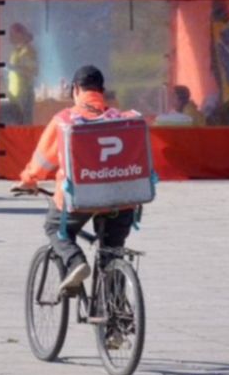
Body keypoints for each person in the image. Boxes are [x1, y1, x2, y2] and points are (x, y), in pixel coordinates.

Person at [13, 66, 137, 295]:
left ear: (76, 89)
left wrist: (29, 180)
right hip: (121, 200)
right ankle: (115, 310)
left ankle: (75, 261)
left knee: (54, 226)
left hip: (79, 198)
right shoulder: (121, 119)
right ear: (101, 91)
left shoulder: (65, 120)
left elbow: (43, 160)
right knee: (112, 251)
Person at [7, 23, 38, 126]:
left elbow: (33, 71)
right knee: (17, 123)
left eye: (12, 34)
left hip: (24, 94)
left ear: (20, 35)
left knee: (24, 124)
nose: (10, 37)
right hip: (15, 94)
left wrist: (15, 68)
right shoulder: (16, 51)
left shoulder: (28, 51)